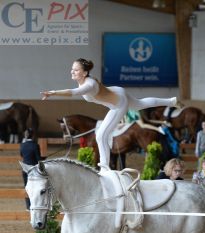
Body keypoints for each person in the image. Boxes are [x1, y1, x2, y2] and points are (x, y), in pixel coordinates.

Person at [41, 58, 177, 170]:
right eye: (72, 68)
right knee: (140, 104)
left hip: (118, 103)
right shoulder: (84, 81)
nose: (72, 71)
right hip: (117, 92)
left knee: (100, 135)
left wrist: (53, 92)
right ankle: (170, 101)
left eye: (76, 70)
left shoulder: (89, 85)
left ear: (84, 72)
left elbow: (72, 92)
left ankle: (104, 166)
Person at [20, 129, 41, 210]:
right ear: (32, 135)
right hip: (33, 169)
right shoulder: (35, 145)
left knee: (27, 187)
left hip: (25, 169)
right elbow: (38, 159)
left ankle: (28, 206)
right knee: (35, 187)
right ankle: (35, 204)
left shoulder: (22, 145)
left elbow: (22, 155)